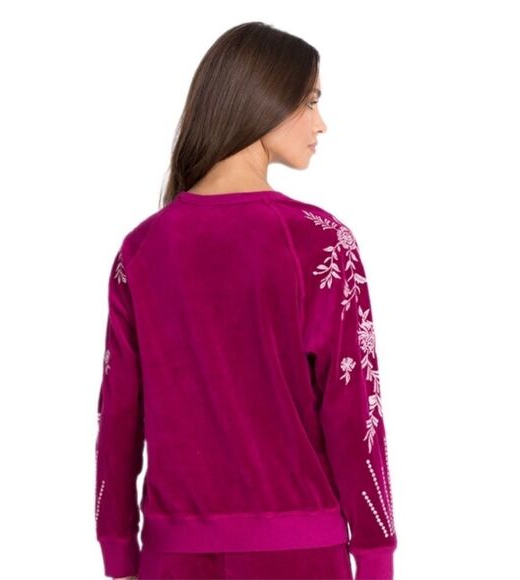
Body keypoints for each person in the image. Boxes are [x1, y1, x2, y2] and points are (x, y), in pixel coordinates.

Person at [95, 21, 398, 580]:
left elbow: (117, 420)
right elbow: (355, 414)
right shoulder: (320, 242)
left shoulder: (141, 251)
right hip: (302, 557)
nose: (321, 123)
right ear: (265, 100)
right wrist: (376, 555)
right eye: (310, 102)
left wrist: (118, 552)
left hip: (173, 556)